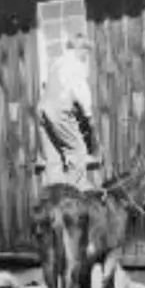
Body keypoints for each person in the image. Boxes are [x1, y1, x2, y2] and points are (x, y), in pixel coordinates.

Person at [39, 33, 100, 190]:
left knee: (53, 157)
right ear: (81, 49)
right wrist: (89, 116)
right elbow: (81, 93)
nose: (87, 56)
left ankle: (54, 193)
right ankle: (78, 191)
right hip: (60, 110)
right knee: (77, 151)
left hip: (43, 110)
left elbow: (48, 85)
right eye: (86, 52)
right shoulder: (75, 65)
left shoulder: (57, 63)